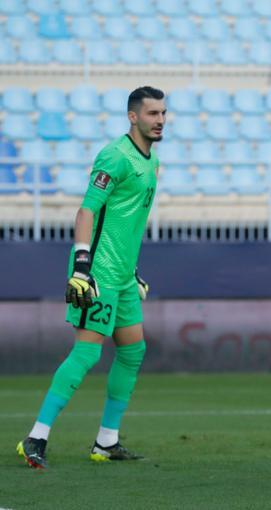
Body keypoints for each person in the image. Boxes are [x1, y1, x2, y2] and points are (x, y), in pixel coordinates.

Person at [17, 86, 166, 469]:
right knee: (86, 353)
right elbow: (86, 212)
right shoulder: (115, 157)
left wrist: (132, 271)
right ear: (133, 116)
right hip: (97, 274)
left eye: (163, 113)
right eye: (152, 114)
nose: (160, 120)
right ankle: (36, 438)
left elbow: (124, 223)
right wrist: (82, 267)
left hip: (122, 277)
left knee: (133, 351)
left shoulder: (151, 161)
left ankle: (106, 442)